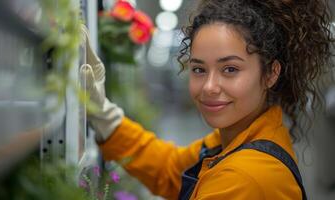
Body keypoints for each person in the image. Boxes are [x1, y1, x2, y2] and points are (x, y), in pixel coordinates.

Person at [80, 0, 334, 199]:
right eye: (199, 69)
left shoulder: (243, 178)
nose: (209, 87)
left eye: (230, 69)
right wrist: (104, 116)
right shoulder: (238, 135)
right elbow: (172, 171)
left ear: (270, 73)